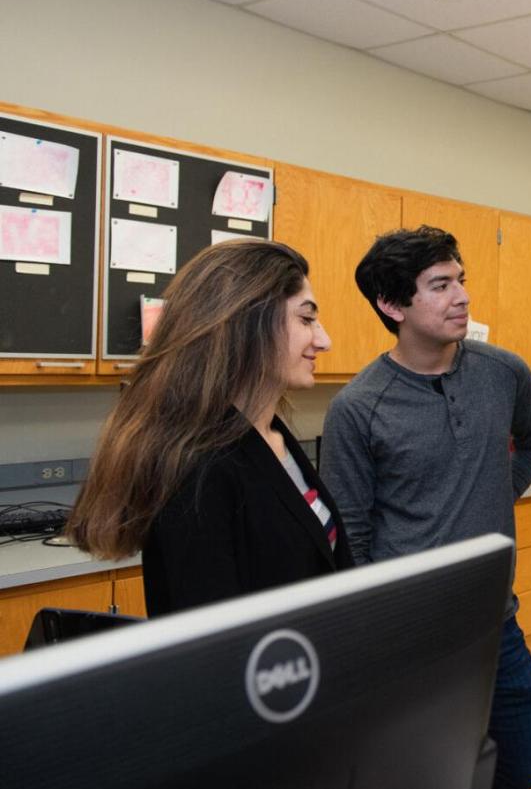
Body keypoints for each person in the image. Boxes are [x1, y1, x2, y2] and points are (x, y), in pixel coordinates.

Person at [320, 225, 531, 789]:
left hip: (497, 627)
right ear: (392, 303)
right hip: (409, 643)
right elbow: (349, 538)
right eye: (440, 285)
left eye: (461, 280)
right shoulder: (358, 407)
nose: (463, 297)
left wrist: (499, 492)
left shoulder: (504, 372)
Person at [67, 239, 350, 615]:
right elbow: (211, 641)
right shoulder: (200, 467)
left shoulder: (273, 436)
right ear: (248, 324)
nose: (324, 340)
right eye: (306, 318)